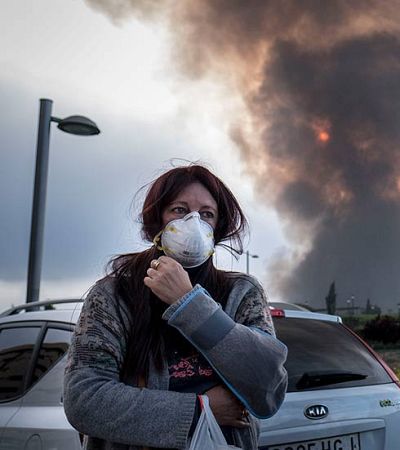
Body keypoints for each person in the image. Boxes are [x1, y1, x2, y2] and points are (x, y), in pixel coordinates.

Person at [64, 165, 288, 449]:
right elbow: (84, 399)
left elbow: (268, 387)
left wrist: (190, 304)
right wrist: (201, 410)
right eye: (179, 210)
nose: (194, 222)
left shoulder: (241, 292)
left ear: (217, 229)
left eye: (207, 214)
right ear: (156, 223)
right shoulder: (113, 295)